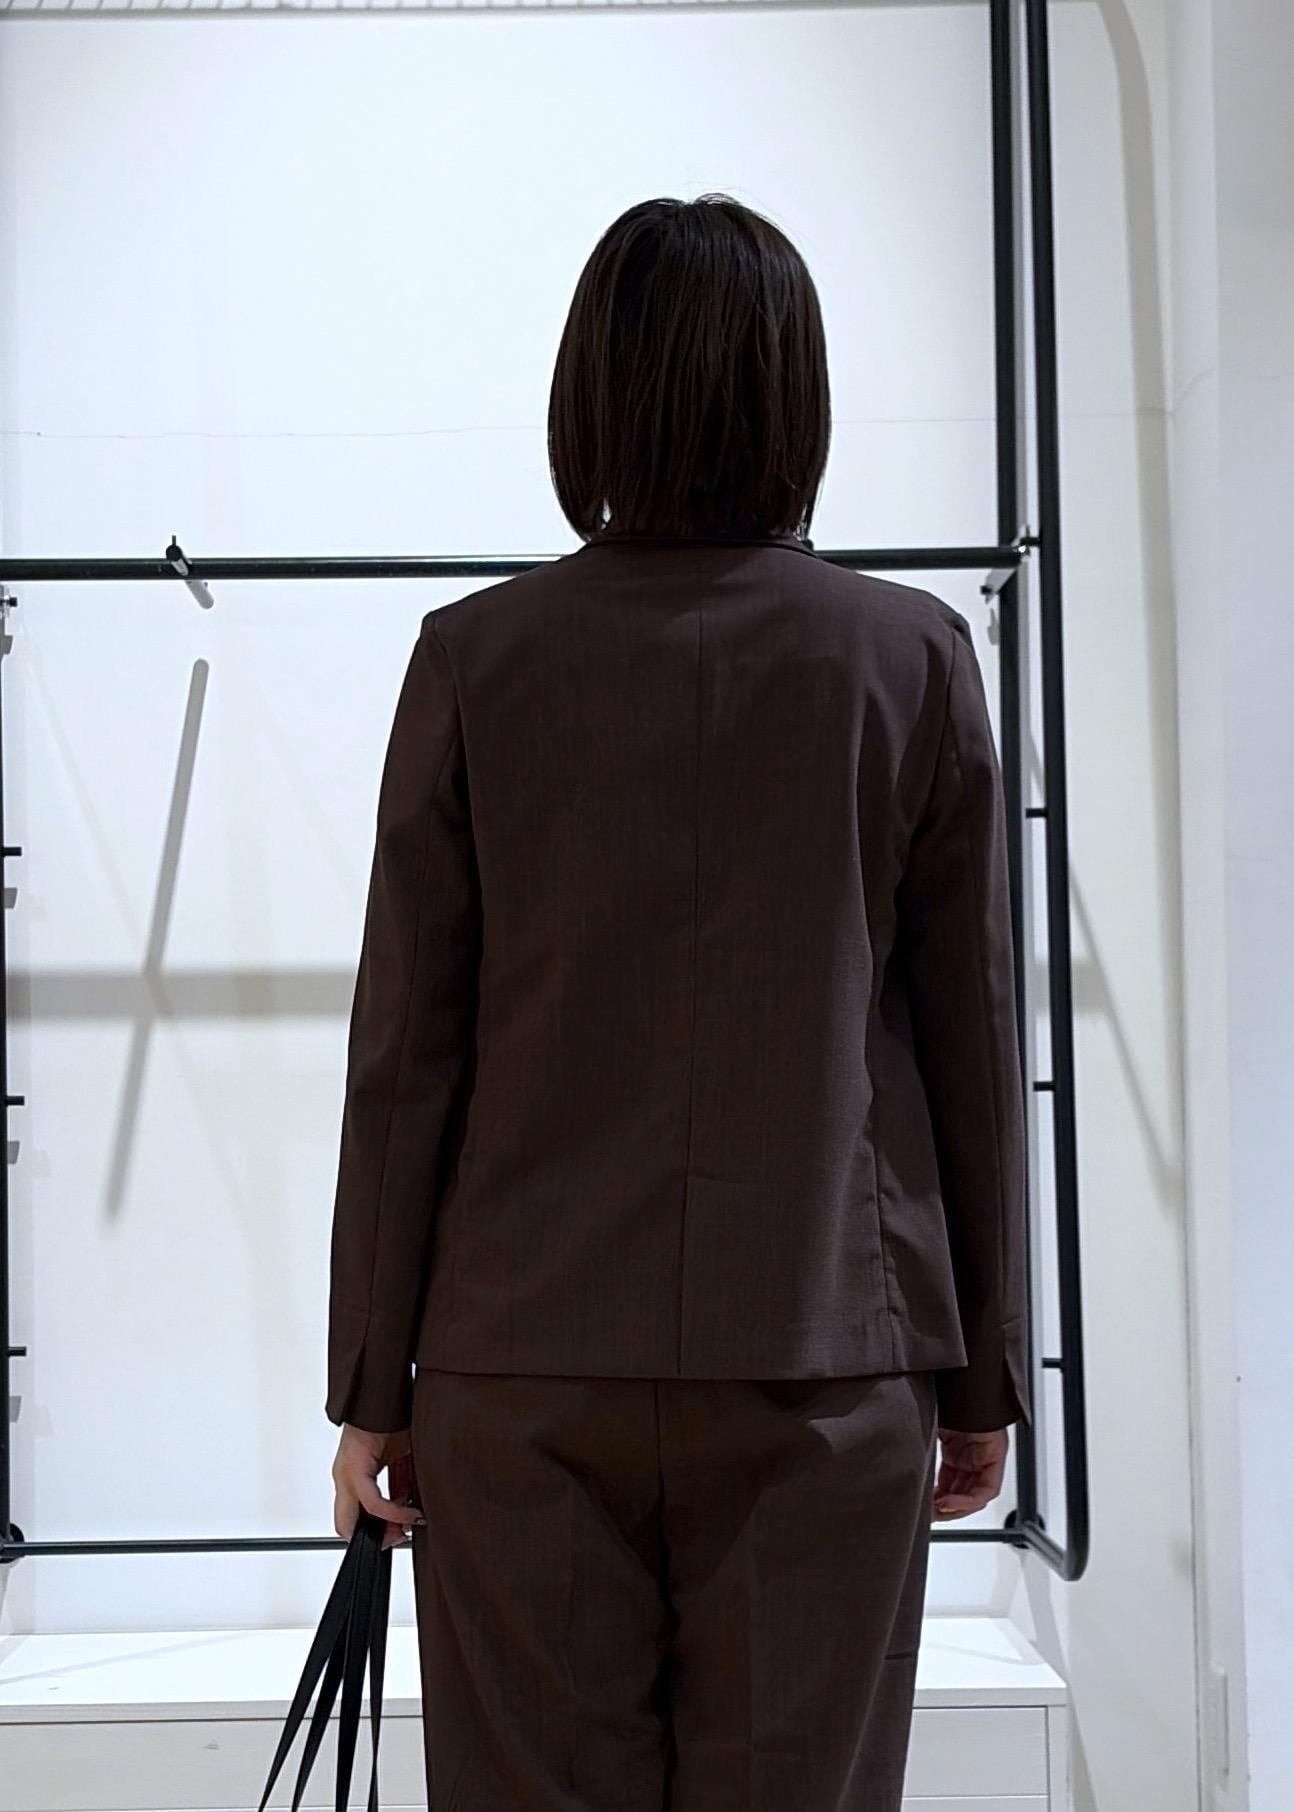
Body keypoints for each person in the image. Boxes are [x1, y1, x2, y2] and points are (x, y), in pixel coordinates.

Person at [325, 192, 1032, 1812]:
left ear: (588, 393)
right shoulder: (910, 658)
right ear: (798, 398)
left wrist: (371, 1384)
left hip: (518, 1367)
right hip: (826, 1360)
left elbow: (406, 1056)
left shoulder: (475, 660)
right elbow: (968, 1045)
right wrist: (983, 1374)